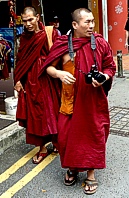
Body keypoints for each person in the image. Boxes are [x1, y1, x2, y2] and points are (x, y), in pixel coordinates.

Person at [39, 8, 116, 195]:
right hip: (69, 103)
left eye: (92, 22)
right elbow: (47, 67)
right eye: (87, 22)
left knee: (93, 136)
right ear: (75, 25)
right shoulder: (62, 44)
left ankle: (90, 173)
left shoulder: (100, 43)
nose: (91, 26)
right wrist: (59, 73)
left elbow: (110, 66)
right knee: (66, 138)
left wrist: (104, 77)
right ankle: (73, 168)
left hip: (93, 102)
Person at [14, 7, 59, 164]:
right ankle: (42, 148)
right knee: (35, 115)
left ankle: (56, 142)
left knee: (53, 111)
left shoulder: (49, 32)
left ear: (37, 17)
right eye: (25, 21)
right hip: (31, 82)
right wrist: (18, 80)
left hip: (49, 79)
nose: (28, 24)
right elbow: (20, 60)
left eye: (30, 20)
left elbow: (58, 54)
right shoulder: (24, 37)